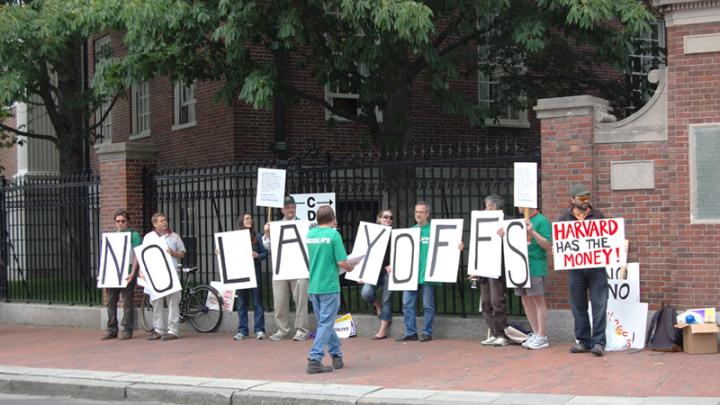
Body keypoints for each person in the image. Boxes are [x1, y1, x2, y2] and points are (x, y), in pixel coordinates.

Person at [396, 201, 462, 342]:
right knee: (407, 304)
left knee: (428, 305)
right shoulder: (411, 231)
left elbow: (448, 244)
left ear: (427, 214)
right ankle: (410, 332)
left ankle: (427, 332)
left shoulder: (435, 229)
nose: (418, 214)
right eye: (416, 212)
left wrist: (458, 246)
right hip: (411, 274)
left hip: (428, 273)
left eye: (421, 212)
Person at [305, 205, 356, 374]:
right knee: (326, 323)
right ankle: (315, 358)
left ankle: (336, 354)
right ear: (333, 219)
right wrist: (351, 268)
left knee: (324, 323)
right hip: (329, 285)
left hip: (314, 286)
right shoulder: (334, 235)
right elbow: (341, 261)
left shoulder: (310, 234)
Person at [561, 184, 608, 357]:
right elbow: (561, 243)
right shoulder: (565, 219)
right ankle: (583, 341)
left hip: (597, 269)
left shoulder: (598, 216)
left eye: (587, 197)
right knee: (578, 306)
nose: (585, 201)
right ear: (572, 199)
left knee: (599, 305)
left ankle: (598, 343)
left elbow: (607, 239)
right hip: (575, 269)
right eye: (581, 198)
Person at [262, 195, 310, 341]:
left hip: (299, 267)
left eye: (293, 207)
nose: (291, 210)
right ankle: (282, 329)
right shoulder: (275, 226)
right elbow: (268, 247)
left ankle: (302, 329)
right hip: (281, 268)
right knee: (280, 300)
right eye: (288, 208)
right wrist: (266, 233)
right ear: (282, 210)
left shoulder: (303, 224)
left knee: (301, 301)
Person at [143, 212, 186, 341]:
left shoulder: (174, 237)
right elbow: (143, 255)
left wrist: (173, 253)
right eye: (161, 221)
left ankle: (173, 330)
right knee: (157, 302)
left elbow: (183, 253)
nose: (164, 222)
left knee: (173, 302)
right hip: (155, 275)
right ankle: (158, 330)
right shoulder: (148, 237)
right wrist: (142, 271)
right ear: (155, 223)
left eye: (165, 220)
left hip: (172, 274)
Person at [514, 207, 552, 350]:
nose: (518, 206)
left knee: (537, 300)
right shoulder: (519, 220)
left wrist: (533, 233)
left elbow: (547, 244)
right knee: (525, 299)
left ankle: (542, 335)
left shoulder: (541, 220)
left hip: (535, 265)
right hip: (520, 265)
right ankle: (536, 333)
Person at [101, 209, 141, 341]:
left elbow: (136, 255)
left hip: (127, 272)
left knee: (127, 302)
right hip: (113, 274)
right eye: (117, 221)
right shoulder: (111, 236)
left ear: (127, 222)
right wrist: (103, 274)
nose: (120, 224)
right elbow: (106, 257)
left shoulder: (133, 235)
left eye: (123, 221)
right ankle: (111, 329)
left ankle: (127, 329)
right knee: (111, 301)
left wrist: (133, 273)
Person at [476, 195, 510, 346]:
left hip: (497, 267)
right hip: (484, 266)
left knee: (497, 301)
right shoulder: (483, 222)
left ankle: (501, 333)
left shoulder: (507, 221)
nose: (484, 209)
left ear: (493, 207)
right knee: (485, 302)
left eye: (487, 206)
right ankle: (494, 332)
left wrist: (505, 234)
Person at [360, 208, 394, 340]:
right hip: (374, 271)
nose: (388, 220)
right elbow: (363, 254)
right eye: (385, 217)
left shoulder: (394, 235)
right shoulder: (370, 233)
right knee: (366, 292)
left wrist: (392, 263)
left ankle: (383, 328)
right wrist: (361, 273)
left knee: (387, 298)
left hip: (387, 272)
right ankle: (376, 304)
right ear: (378, 219)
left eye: (391, 218)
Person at [234, 213, 267, 341]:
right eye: (247, 218)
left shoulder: (257, 236)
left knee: (257, 302)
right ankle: (243, 330)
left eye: (250, 219)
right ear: (241, 221)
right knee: (241, 302)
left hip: (254, 272)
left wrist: (257, 255)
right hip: (241, 273)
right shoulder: (234, 237)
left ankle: (259, 330)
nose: (250, 220)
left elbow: (264, 253)